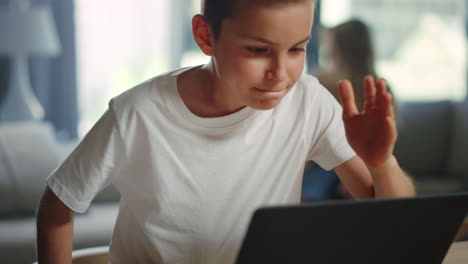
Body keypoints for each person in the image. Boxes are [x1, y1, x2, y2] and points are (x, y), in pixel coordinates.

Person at [36, 1, 415, 263]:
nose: (280, 74)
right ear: (206, 36)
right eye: (257, 50)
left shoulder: (308, 101)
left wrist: (382, 163)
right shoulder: (137, 113)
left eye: (297, 49)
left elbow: (395, 213)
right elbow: (58, 204)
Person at [303, 19, 398, 201]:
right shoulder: (318, 85)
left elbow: (384, 141)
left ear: (339, 50)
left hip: (356, 162)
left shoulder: (376, 88)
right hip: (325, 163)